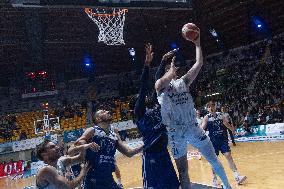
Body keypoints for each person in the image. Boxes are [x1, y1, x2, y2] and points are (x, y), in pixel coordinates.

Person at [155, 31, 232, 189]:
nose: (172, 71)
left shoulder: (183, 82)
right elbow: (158, 83)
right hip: (175, 133)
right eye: (168, 71)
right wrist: (169, 70)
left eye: (172, 71)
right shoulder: (161, 88)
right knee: (183, 171)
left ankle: (227, 186)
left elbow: (198, 64)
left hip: (193, 128)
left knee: (214, 160)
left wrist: (197, 44)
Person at [129, 43, 180, 189]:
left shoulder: (156, 104)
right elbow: (143, 86)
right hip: (151, 156)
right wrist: (146, 64)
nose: (144, 97)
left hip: (164, 153)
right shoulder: (140, 113)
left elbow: (158, 80)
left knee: (173, 186)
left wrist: (163, 60)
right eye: (140, 98)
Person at [70, 109, 143, 189]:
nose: (108, 112)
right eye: (103, 112)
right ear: (98, 119)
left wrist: (146, 145)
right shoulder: (93, 130)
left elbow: (129, 153)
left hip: (108, 178)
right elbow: (77, 144)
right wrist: (86, 145)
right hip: (93, 179)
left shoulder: (114, 135)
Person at [201, 101, 247, 187]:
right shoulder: (206, 117)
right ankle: (214, 178)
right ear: (207, 109)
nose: (211, 108)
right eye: (209, 107)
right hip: (213, 143)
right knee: (214, 161)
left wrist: (232, 129)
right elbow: (202, 127)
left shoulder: (220, 115)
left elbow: (226, 123)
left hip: (222, 140)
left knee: (228, 155)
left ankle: (237, 177)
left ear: (215, 107)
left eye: (212, 106)